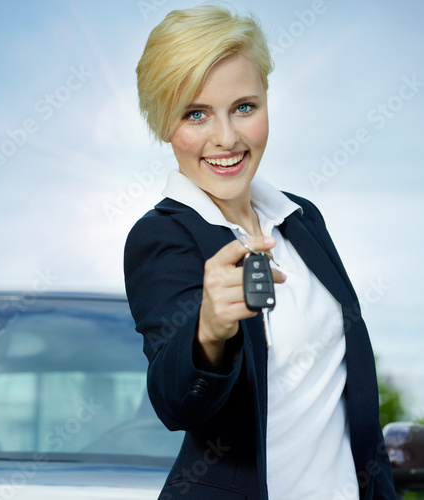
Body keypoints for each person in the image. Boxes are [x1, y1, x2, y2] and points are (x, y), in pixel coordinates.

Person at [124, 5, 396, 499]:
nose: (225, 138)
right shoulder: (161, 238)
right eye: (196, 113)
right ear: (165, 124)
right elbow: (175, 402)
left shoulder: (302, 220)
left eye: (244, 107)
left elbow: (348, 400)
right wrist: (208, 331)